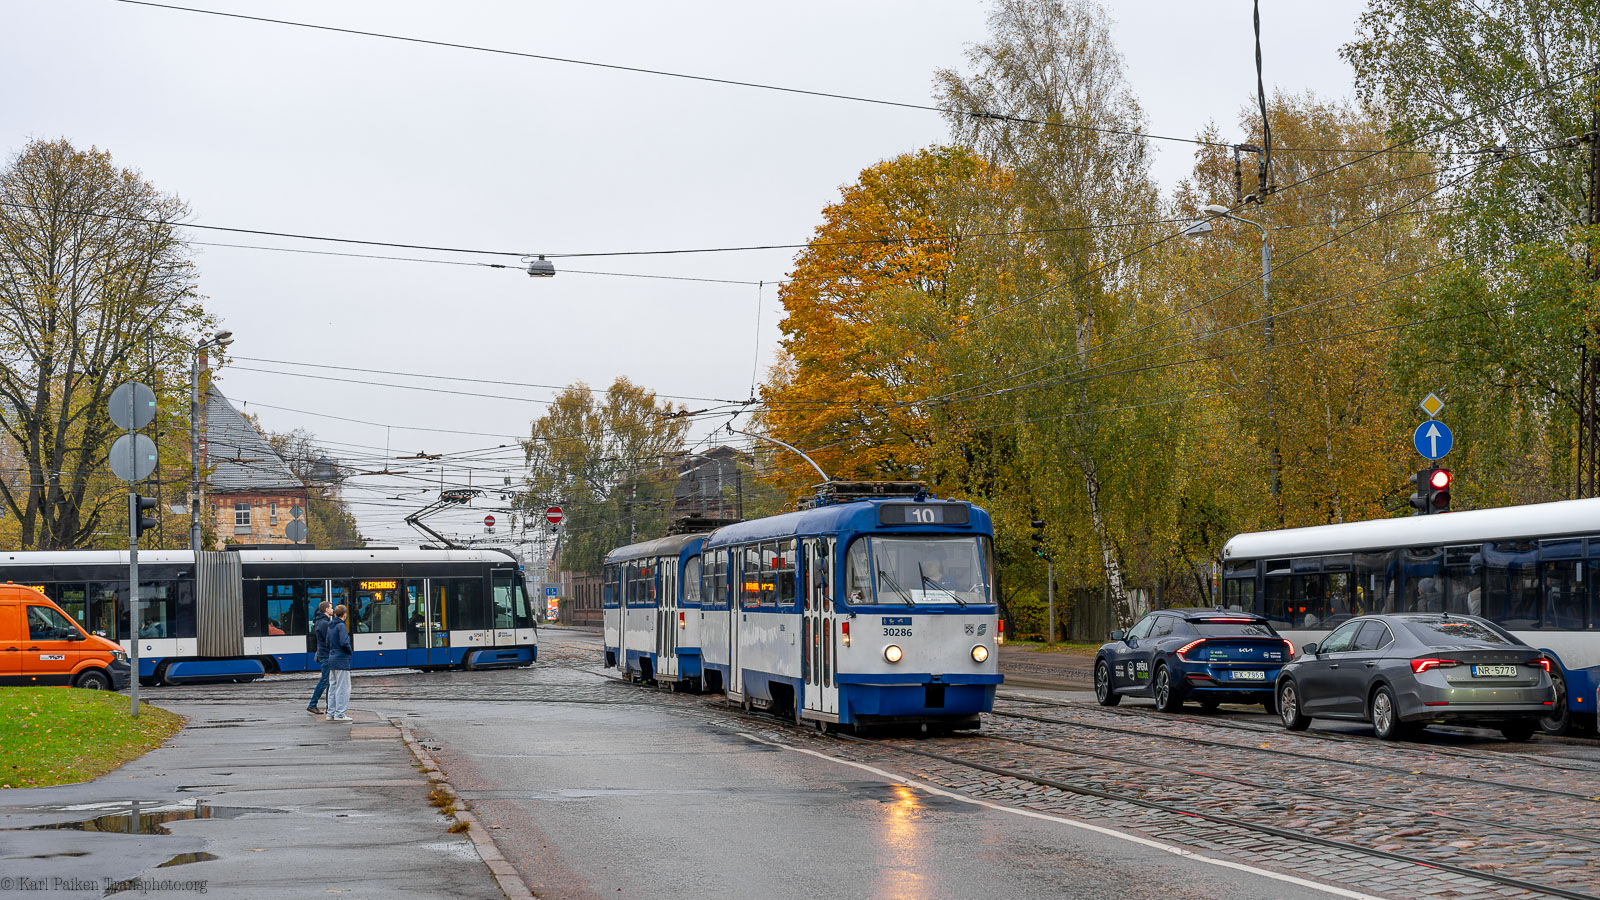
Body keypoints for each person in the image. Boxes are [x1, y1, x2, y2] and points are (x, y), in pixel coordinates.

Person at [325, 605, 353, 723]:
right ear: (344, 614)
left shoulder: (330, 626)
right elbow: (344, 642)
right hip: (341, 659)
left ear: (335, 614)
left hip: (331, 658)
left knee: (333, 687)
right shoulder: (341, 626)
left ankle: (330, 713)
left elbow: (327, 642)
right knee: (343, 688)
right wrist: (349, 651)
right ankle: (340, 714)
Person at [306, 601, 333, 714]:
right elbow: (329, 640)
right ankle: (313, 704)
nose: (332, 609)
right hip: (326, 654)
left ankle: (329, 706)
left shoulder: (321, 621)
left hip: (323, 654)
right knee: (325, 681)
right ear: (326, 609)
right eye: (331, 607)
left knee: (328, 681)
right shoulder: (324, 623)